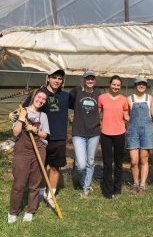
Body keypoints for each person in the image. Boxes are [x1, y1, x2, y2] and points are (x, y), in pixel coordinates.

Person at [21, 68, 73, 207]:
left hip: (59, 137)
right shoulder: (39, 94)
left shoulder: (65, 96)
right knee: (40, 167)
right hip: (41, 136)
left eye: (60, 78)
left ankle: (51, 195)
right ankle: (41, 192)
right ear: (48, 78)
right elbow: (25, 109)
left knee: (55, 168)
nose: (57, 80)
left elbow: (80, 108)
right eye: (54, 77)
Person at [8, 89, 50, 223]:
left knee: (35, 182)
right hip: (22, 150)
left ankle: (30, 210)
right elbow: (16, 133)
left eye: (44, 99)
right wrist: (21, 118)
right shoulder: (21, 110)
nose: (41, 100)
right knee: (19, 183)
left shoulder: (43, 116)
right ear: (33, 97)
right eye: (39, 97)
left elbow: (45, 135)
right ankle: (13, 211)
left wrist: (34, 130)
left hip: (39, 148)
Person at [70, 70, 101, 198]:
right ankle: (83, 181)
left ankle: (86, 187)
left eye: (92, 79)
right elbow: (68, 103)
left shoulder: (98, 93)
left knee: (90, 161)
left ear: (95, 80)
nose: (90, 81)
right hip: (78, 132)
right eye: (87, 79)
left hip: (94, 132)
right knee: (81, 164)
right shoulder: (76, 91)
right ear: (83, 80)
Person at [98, 75, 129, 199]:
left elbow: (126, 117)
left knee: (118, 162)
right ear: (109, 84)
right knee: (107, 162)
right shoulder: (102, 98)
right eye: (114, 84)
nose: (116, 87)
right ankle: (108, 190)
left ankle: (117, 188)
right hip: (105, 133)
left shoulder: (123, 99)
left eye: (118, 85)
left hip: (120, 133)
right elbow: (96, 114)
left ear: (120, 87)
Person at [127, 76, 153, 195]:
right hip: (133, 130)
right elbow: (127, 115)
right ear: (135, 85)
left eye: (143, 84)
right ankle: (135, 183)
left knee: (143, 159)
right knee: (134, 160)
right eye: (139, 84)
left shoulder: (150, 98)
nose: (141, 85)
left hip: (147, 130)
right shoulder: (129, 98)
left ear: (146, 86)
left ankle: (142, 185)